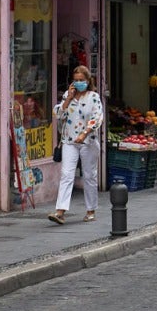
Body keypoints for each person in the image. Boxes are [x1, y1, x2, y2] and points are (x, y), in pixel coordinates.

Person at [50, 64, 105, 225]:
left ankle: (90, 210)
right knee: (67, 174)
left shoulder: (93, 97)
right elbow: (58, 114)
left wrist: (85, 133)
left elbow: (97, 117)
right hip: (69, 140)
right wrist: (68, 98)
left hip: (88, 141)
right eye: (76, 80)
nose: (79, 83)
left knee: (89, 175)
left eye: (81, 80)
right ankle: (60, 211)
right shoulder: (69, 95)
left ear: (88, 80)